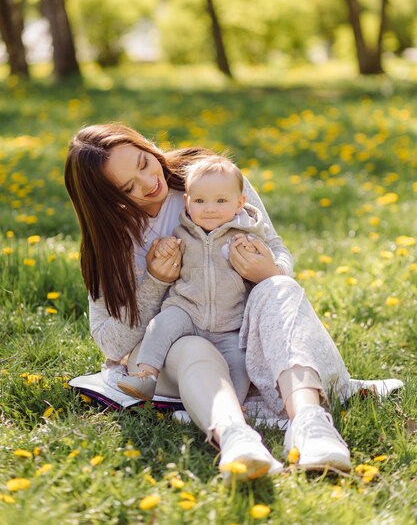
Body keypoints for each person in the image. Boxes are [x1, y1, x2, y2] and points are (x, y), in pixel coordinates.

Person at [64, 123, 352, 483]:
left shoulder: (210, 178)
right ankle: (235, 438)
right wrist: (156, 282)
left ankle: (311, 425)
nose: (148, 182)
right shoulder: (110, 241)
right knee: (190, 343)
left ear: (147, 146)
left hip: (239, 333)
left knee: (280, 288)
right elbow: (109, 342)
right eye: (127, 188)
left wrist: (271, 269)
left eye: (143, 163)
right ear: (107, 199)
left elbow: (275, 245)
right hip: (168, 353)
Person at [117, 155, 270, 404]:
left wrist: (254, 252)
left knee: (239, 364)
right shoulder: (182, 233)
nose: (210, 208)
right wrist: (164, 248)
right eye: (200, 201)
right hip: (186, 310)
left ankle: (234, 403)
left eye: (221, 201)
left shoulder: (244, 237)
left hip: (230, 322)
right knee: (161, 326)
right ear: (187, 203)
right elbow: (168, 250)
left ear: (240, 203)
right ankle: (145, 374)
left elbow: (261, 267)